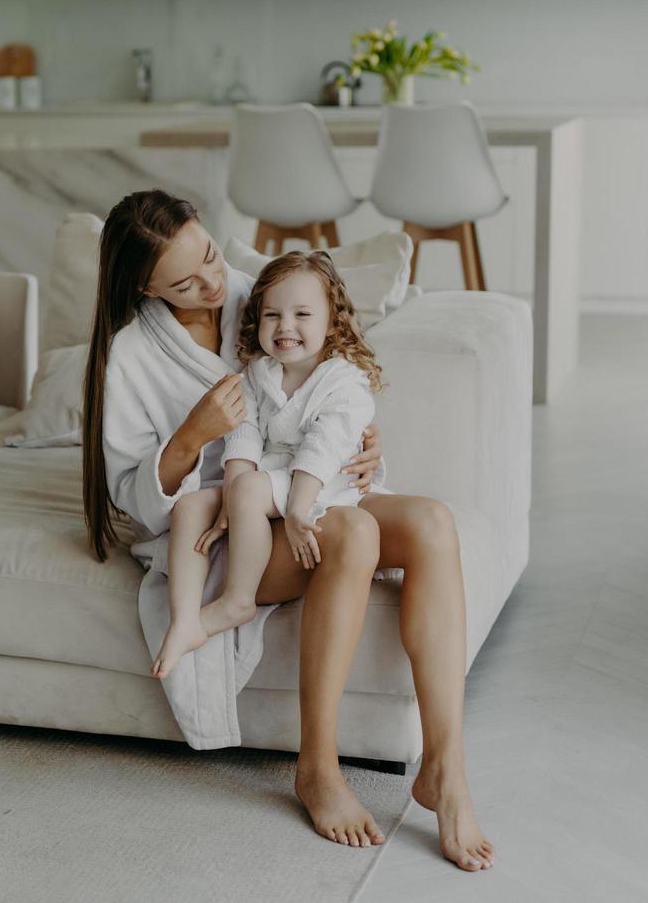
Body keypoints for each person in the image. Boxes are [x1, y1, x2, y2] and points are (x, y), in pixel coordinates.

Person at [82, 189, 494, 869]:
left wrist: (361, 444)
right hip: (223, 531)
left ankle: (445, 768)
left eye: (210, 256)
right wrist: (192, 437)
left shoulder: (260, 295)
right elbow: (134, 505)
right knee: (354, 536)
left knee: (431, 524)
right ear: (144, 287)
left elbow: (328, 377)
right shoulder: (129, 356)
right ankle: (318, 766)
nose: (213, 283)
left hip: (300, 491)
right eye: (185, 282)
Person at [150, 250, 384, 683]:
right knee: (191, 504)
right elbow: (244, 436)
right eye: (272, 315)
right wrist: (228, 505)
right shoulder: (259, 373)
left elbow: (322, 449)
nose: (285, 327)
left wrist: (297, 510)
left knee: (251, 489)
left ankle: (237, 600)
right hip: (268, 481)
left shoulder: (344, 382)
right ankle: (184, 617)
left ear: (332, 320)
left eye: (302, 314)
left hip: (323, 484)